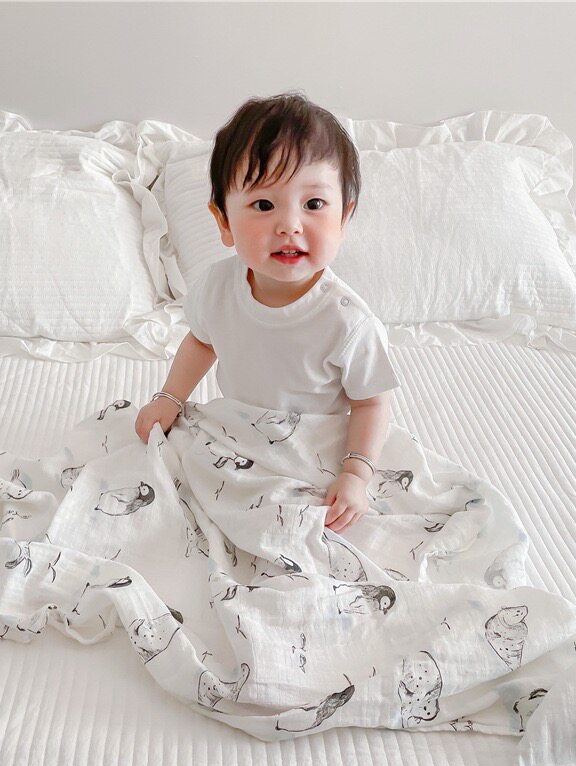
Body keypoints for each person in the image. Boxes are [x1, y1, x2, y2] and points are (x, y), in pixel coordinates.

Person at [135, 91, 400, 534]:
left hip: (315, 446)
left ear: (343, 219)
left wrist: (356, 472)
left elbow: (372, 401)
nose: (290, 225)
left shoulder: (348, 322)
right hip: (237, 430)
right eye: (263, 205)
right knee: (165, 492)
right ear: (223, 221)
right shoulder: (219, 286)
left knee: (297, 529)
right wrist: (170, 398)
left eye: (313, 204)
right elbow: (201, 342)